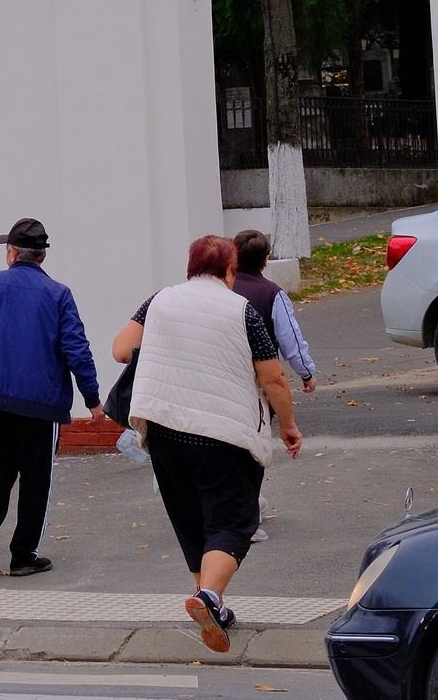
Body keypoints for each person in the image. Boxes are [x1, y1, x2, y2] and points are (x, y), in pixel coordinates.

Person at [112, 235, 302, 653]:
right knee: (233, 522)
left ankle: (213, 606)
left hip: (162, 430)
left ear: (189, 266)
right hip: (222, 434)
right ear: (230, 270)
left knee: (192, 520)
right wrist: (287, 425)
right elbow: (273, 377)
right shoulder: (243, 311)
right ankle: (209, 598)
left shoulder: (159, 300)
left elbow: (121, 350)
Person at [0, 217, 104, 576]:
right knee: (36, 476)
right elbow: (77, 349)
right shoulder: (59, 295)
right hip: (40, 405)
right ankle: (24, 554)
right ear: (41, 257)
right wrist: (92, 399)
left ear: (12, 253)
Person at [228, 229, 317, 541]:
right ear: (266, 261)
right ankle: (245, 514)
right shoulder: (272, 294)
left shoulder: (222, 290)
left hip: (220, 378)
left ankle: (242, 504)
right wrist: (306, 372)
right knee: (252, 447)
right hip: (256, 385)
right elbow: (290, 339)